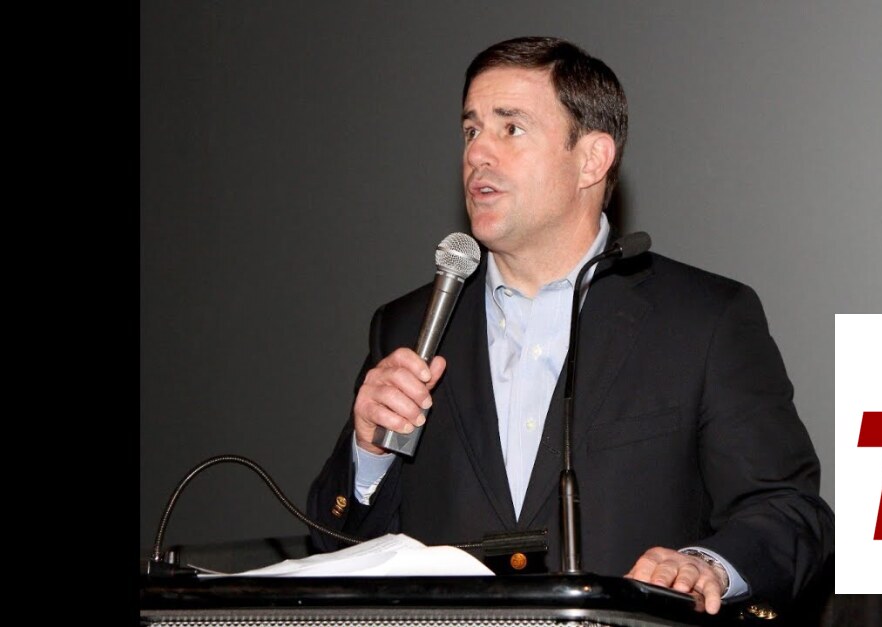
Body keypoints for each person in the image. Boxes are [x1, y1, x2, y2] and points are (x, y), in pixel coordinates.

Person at [308, 36, 833, 615]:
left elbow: (788, 512)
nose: (478, 153)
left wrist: (705, 565)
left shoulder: (702, 320)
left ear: (592, 159)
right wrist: (369, 453)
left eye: (511, 128)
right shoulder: (409, 327)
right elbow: (335, 545)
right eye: (471, 130)